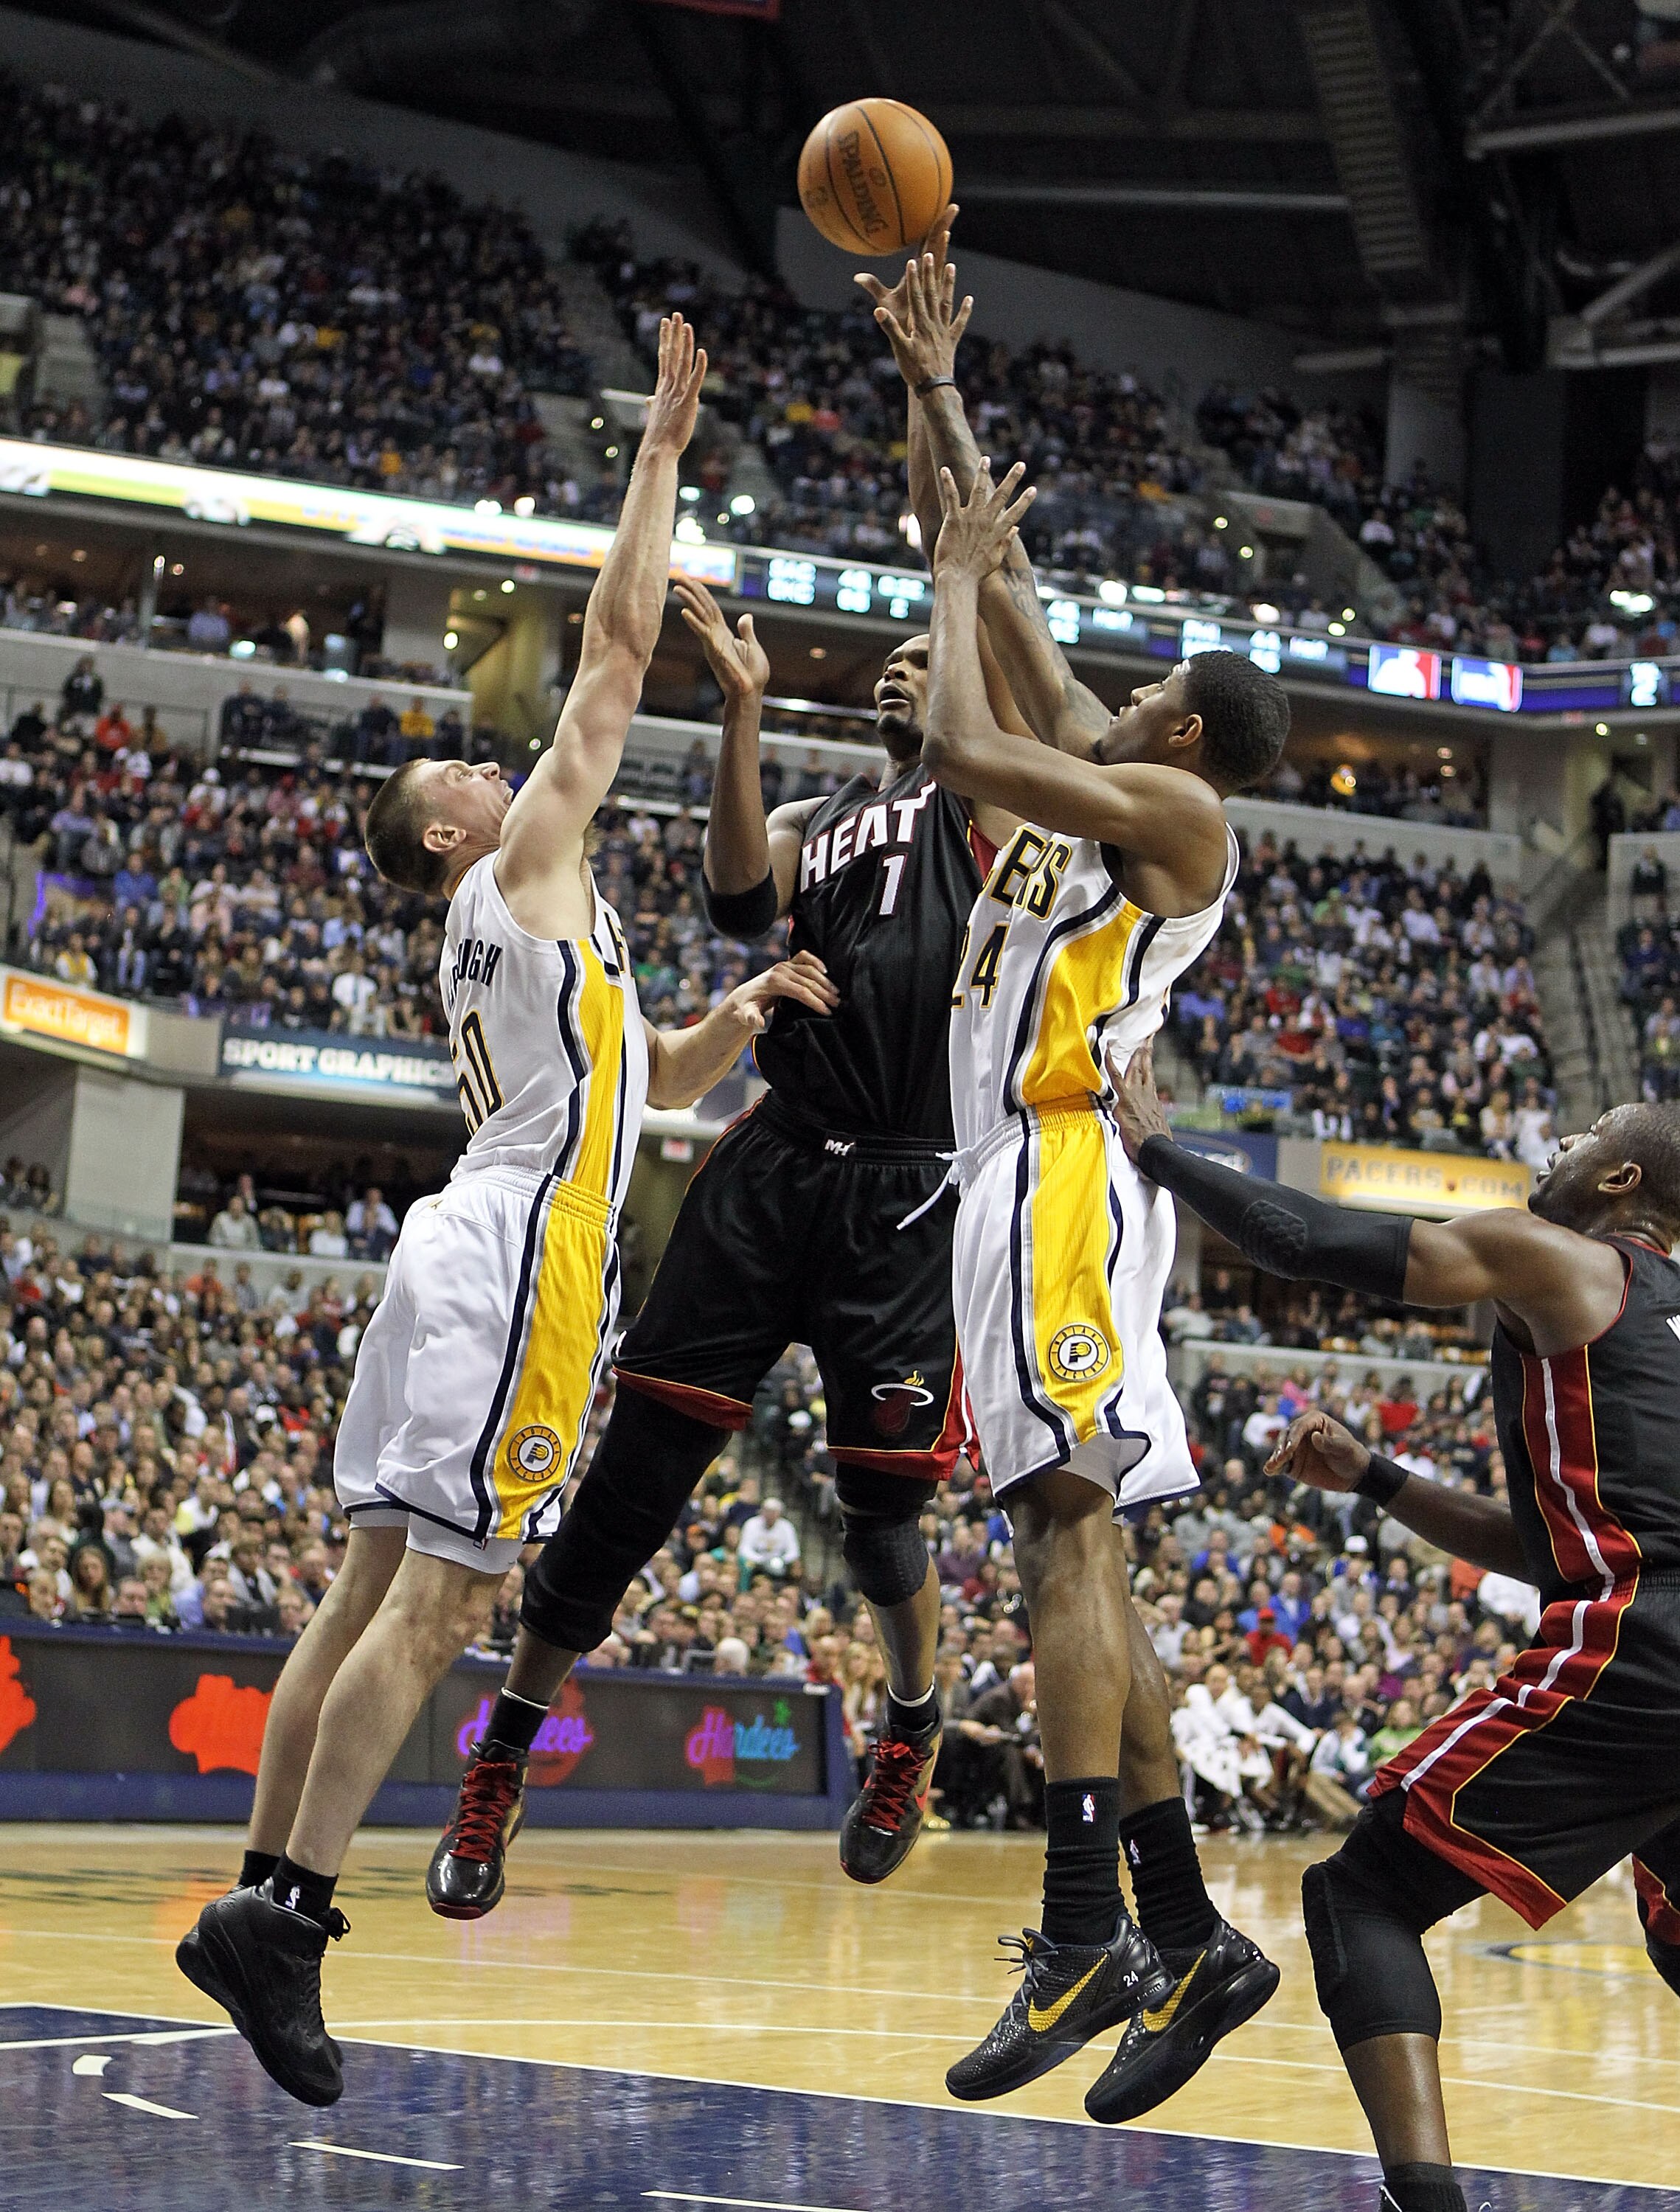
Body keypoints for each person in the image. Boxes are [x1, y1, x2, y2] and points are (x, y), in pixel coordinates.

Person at [175, 316, 834, 2110]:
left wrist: (743, 1023)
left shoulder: (546, 937)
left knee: (375, 1582)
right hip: (524, 1252)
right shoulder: (523, 865)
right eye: (462, 779)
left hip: (482, 1229)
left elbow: (661, 1093)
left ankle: (259, 1896)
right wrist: (659, 455)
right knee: (447, 1602)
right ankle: (291, 1915)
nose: (490, 765)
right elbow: (615, 652)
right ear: (455, 839)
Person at [422, 218, 1024, 1924]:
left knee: (888, 1526)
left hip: (911, 1188)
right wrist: (747, 717)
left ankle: (912, 1709)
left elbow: (948, 574)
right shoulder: (836, 814)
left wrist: (933, 405)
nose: (907, 672)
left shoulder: (988, 805)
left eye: (925, 665)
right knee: (626, 1491)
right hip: (774, 1163)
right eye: (896, 671)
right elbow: (733, 897)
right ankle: (500, 1765)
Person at [879, 243, 1284, 2122]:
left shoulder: (1179, 818)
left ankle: (1073, 1926)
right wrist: (932, 381)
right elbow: (1007, 598)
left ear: (1178, 739)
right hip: (1005, 1181)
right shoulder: (1100, 774)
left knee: (1059, 1538)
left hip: (1055, 1172)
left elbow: (968, 724)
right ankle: (1186, 1930)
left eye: (1132, 703)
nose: (1095, 702)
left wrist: (953, 590)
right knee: (1081, 1558)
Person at [1111, 1053, 1680, 2212]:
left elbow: (1312, 1241)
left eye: (1583, 1135)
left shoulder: (1561, 1260)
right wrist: (1375, 1477)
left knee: (1359, 1895)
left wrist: (1158, 1151)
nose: (1557, 1141)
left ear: (1620, 1179)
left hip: (1646, 1651)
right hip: (1649, 1630)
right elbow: (1546, 1545)